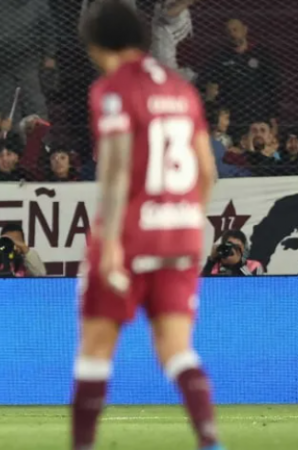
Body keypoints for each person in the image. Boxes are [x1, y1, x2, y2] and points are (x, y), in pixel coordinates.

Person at [75, 3, 222, 450]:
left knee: (95, 352)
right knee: (177, 350)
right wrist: (187, 222)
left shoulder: (112, 89)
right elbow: (207, 171)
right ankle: (210, 440)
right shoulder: (181, 89)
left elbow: (117, 169)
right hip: (179, 233)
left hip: (131, 232)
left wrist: (113, 240)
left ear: (95, 43)